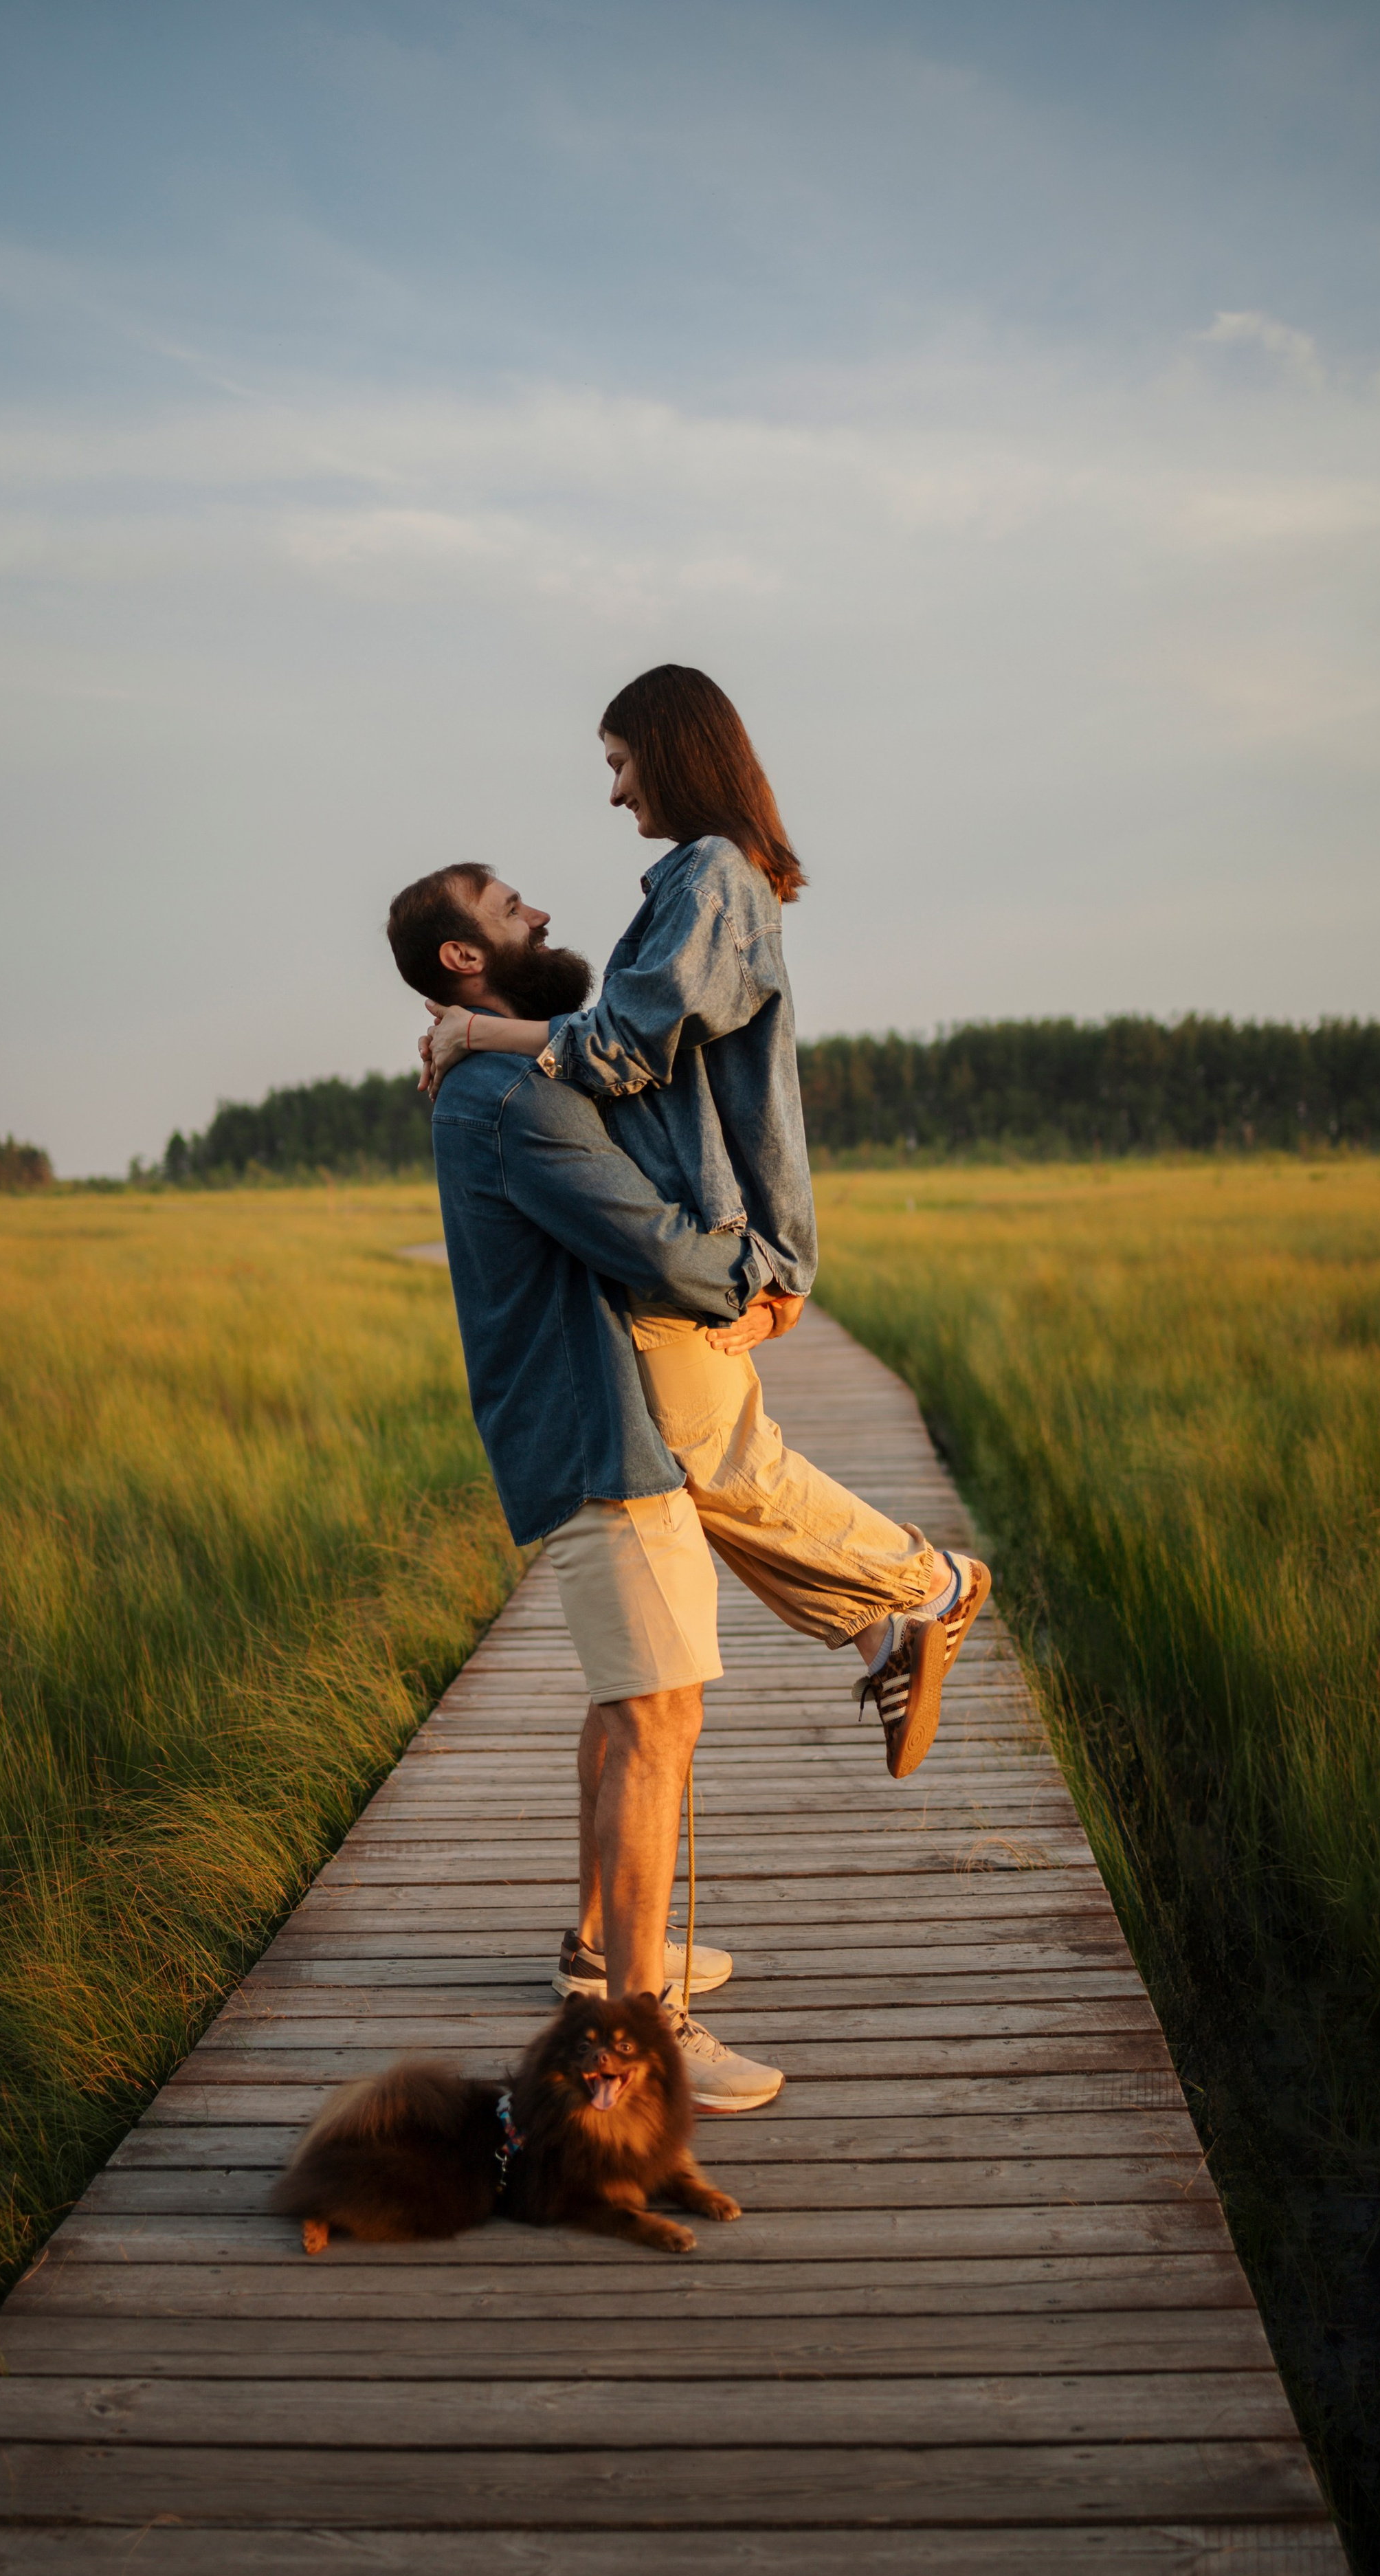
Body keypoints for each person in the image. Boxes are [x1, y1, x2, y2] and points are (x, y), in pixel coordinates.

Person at [419, 665, 990, 1779]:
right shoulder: (695, 883)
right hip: (699, 1228)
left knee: (720, 1463)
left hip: (716, 1228)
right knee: (713, 1467)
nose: (617, 793)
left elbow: (621, 1046)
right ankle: (886, 1630)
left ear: (675, 754)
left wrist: (478, 1039)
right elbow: (617, 1044)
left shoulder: (717, 879)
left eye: (623, 764)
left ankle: (930, 1589)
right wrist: (467, 1038)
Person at [386, 865, 786, 2115]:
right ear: (464, 962)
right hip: (601, 1437)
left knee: (629, 1710)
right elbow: (650, 1242)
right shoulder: (508, 1095)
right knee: (659, 1721)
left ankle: (598, 1949)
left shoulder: (494, 1072)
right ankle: (637, 2021)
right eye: (511, 911)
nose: (543, 915)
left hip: (580, 1432)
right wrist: (758, 1286)